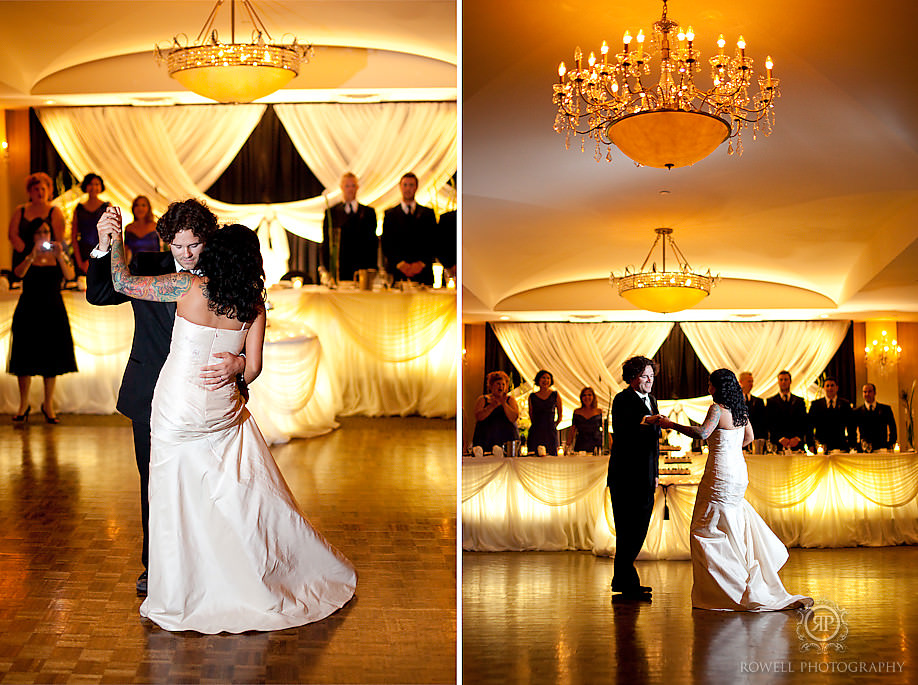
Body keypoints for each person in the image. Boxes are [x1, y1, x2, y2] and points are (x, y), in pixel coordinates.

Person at [100, 207, 357, 633]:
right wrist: (235, 363)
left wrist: (115, 240)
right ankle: (238, 576)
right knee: (228, 497)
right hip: (222, 410)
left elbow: (121, 282)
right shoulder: (254, 304)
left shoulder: (187, 286)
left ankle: (180, 588)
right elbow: (252, 369)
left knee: (173, 497)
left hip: (176, 409)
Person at [87, 198, 245, 596]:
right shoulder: (142, 266)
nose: (187, 255)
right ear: (165, 242)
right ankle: (156, 568)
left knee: (210, 484)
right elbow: (100, 294)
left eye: (195, 246)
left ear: (207, 240)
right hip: (150, 393)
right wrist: (107, 245)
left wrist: (239, 363)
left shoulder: (225, 273)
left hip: (205, 399)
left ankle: (211, 564)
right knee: (153, 483)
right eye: (178, 247)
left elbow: (247, 325)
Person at [660, 369, 813, 611]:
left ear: (715, 387)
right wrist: (730, 447)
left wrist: (670, 424)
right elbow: (749, 437)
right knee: (731, 527)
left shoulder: (717, 409)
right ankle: (734, 582)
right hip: (738, 472)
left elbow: (701, 433)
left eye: (710, 384)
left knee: (704, 528)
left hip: (720, 473)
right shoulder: (740, 410)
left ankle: (724, 590)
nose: (708, 388)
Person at [7, 221, 77, 423]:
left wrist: (60, 256)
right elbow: (17, 274)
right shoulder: (26, 253)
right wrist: (32, 255)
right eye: (39, 232)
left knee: (51, 359)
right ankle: (23, 405)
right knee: (24, 358)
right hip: (28, 309)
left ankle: (48, 404)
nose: (43, 235)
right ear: (33, 235)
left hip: (53, 310)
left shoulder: (58, 253)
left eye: (46, 231)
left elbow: (70, 275)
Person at [607, 356, 662, 600]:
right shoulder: (622, 399)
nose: (650, 380)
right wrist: (645, 421)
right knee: (627, 528)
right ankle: (626, 582)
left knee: (639, 527)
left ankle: (623, 580)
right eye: (645, 376)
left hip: (647, 473)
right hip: (625, 473)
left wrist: (657, 472)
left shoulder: (652, 399)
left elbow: (655, 439)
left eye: (652, 375)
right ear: (632, 378)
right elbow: (623, 431)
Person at [381, 172, 436, 285]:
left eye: (411, 185)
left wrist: (421, 263)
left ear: (416, 187)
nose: (408, 188)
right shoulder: (390, 214)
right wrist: (400, 263)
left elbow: (434, 241)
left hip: (423, 275)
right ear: (400, 187)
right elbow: (386, 243)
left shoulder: (428, 214)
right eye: (405, 185)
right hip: (397, 274)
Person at [321, 172, 379, 281]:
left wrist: (372, 268)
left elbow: (372, 242)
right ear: (341, 188)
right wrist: (328, 268)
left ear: (357, 188)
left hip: (362, 269)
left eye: (353, 186)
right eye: (347, 186)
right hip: (339, 268)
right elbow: (326, 242)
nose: (350, 189)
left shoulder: (369, 212)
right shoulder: (331, 212)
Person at [7, 172, 65, 277]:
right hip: (23, 257)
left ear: (49, 190)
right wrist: (28, 253)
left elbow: (59, 238)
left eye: (43, 189)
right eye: (36, 189)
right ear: (29, 192)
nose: (40, 192)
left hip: (48, 259)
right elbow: (12, 235)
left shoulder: (55, 211)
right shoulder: (20, 210)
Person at [72, 173, 111, 276]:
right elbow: (74, 237)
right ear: (85, 186)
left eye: (97, 184)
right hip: (83, 253)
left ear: (101, 186)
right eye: (90, 184)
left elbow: (112, 233)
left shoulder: (106, 207)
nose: (93, 187)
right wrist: (80, 262)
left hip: (103, 251)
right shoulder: (79, 209)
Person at [472, 370, 520, 450]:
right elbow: (479, 417)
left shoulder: (510, 400)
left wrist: (504, 404)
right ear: (490, 386)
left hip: (507, 439)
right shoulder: (482, 399)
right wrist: (492, 406)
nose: (501, 386)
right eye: (498, 384)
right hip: (486, 439)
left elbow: (513, 418)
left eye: (503, 384)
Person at [807, 377, 854, 451]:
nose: (830, 388)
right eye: (827, 386)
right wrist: (810, 444)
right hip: (821, 446)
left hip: (841, 446)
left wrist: (852, 444)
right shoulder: (816, 405)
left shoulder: (845, 404)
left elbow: (851, 426)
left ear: (837, 387)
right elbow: (809, 426)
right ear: (824, 388)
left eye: (832, 385)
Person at [765, 370, 807, 451]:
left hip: (796, 445)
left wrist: (797, 438)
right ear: (778, 382)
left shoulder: (799, 401)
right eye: (781, 380)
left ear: (790, 381)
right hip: (777, 446)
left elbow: (804, 422)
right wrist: (779, 438)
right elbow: (768, 423)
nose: (783, 382)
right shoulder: (771, 402)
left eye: (786, 379)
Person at [853, 383, 897, 451]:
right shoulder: (857, 412)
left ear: (874, 392)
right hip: (864, 450)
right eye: (865, 392)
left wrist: (890, 443)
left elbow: (893, 427)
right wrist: (856, 446)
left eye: (870, 391)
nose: (867, 394)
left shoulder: (885, 409)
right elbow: (852, 431)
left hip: (882, 448)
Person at [526, 370, 562, 455]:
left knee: (551, 456)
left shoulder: (555, 395)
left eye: (548, 378)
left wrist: (553, 425)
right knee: (534, 455)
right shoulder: (532, 396)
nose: (545, 380)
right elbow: (531, 414)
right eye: (543, 378)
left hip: (550, 431)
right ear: (538, 380)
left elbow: (560, 415)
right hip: (536, 431)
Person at [124, 195, 160, 263]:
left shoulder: (156, 226)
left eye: (143, 205)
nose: (140, 208)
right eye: (137, 205)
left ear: (148, 208)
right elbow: (125, 252)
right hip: (135, 269)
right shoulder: (129, 228)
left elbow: (163, 249)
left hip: (155, 267)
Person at [569, 386, 603, 454]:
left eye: (589, 395)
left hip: (596, 444)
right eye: (584, 395)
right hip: (580, 444)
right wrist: (567, 445)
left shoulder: (599, 411)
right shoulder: (577, 411)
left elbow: (604, 429)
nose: (587, 397)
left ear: (593, 397)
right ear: (581, 398)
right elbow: (572, 429)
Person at [738, 371, 767, 445]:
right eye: (749, 381)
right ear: (741, 382)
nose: (751, 384)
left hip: (755, 441)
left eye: (752, 382)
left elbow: (762, 422)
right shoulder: (733, 401)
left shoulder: (759, 401)